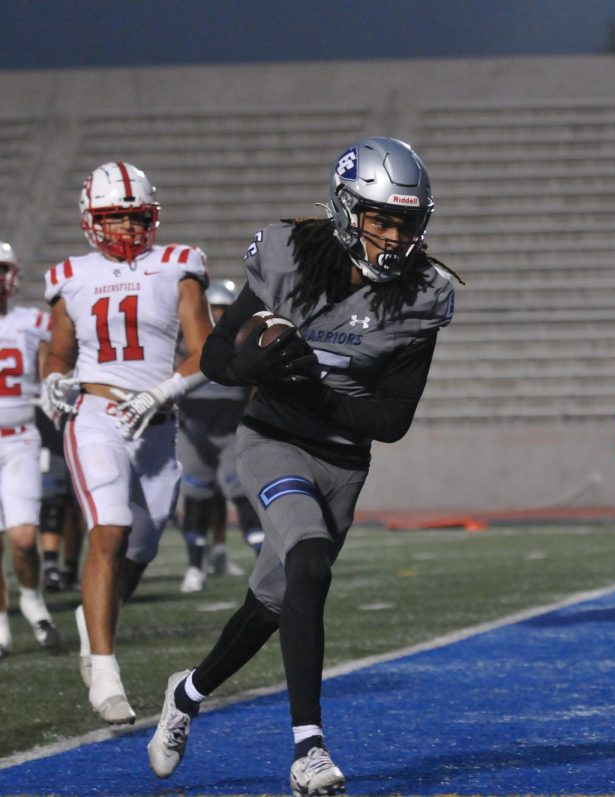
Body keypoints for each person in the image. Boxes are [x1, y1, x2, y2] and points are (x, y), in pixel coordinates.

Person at [147, 137, 457, 797]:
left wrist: (314, 386)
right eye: (379, 217)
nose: (392, 233)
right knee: (309, 560)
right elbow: (214, 358)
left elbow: (392, 419)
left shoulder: (422, 294)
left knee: (273, 599)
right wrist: (248, 367)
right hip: (273, 442)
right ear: (348, 211)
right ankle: (308, 747)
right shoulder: (290, 257)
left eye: (405, 220)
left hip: (343, 464)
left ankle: (189, 692)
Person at [41, 162, 214, 724]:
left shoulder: (178, 266)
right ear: (92, 222)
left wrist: (162, 391)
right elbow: (59, 351)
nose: (125, 230)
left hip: (157, 422)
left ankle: (95, 620)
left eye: (135, 218)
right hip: (94, 413)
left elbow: (203, 350)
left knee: (139, 549)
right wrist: (51, 380)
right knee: (108, 529)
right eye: (113, 220)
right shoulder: (71, 275)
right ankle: (105, 672)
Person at [175, 279, 263, 593]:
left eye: (224, 309)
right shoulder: (185, 339)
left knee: (243, 494)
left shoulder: (245, 339)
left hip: (231, 428)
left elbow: (256, 382)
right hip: (193, 428)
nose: (219, 315)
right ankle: (196, 567)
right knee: (196, 498)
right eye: (214, 309)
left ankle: (264, 564)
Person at [0, 241, 60, 658]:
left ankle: (31, 596)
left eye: (2, 269)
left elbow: (54, 369)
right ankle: (0, 621)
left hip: (20, 437)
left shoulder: (35, 321)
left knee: (22, 538)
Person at [37, 405, 85, 592]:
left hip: (80, 432)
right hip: (48, 432)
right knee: (52, 502)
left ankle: (70, 569)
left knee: (76, 508)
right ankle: (50, 565)